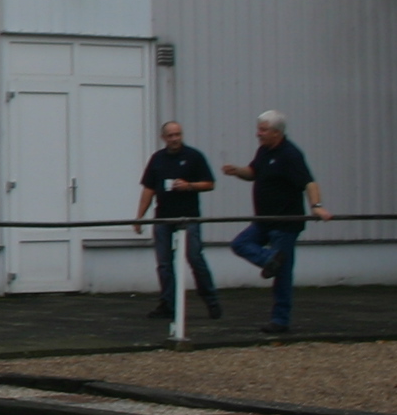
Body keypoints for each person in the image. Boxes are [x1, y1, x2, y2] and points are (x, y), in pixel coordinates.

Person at [222, 112, 331, 333]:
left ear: (276, 133)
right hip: (264, 221)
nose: (258, 134)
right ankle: (270, 259)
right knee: (240, 244)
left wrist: (317, 206)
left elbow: (309, 183)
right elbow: (253, 172)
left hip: (285, 224)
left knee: (282, 275)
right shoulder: (264, 150)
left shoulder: (291, 155)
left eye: (263, 130)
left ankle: (280, 320)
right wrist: (237, 171)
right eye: (259, 129)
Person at [130, 121, 220, 319]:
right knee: (164, 263)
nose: (175, 139)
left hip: (189, 217)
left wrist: (189, 186)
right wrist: (139, 217)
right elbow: (148, 189)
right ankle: (168, 304)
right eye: (170, 136)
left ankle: (211, 301)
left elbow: (210, 184)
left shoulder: (194, 156)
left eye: (177, 134)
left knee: (194, 258)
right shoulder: (157, 159)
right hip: (163, 218)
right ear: (163, 138)